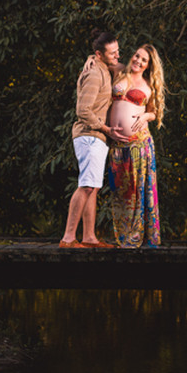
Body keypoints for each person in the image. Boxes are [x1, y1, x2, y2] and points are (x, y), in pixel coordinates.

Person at [60, 29, 124, 248]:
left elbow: (123, 67)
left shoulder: (103, 67)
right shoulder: (95, 74)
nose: (117, 56)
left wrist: (91, 57)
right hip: (89, 136)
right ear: (99, 54)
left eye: (118, 51)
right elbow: (83, 110)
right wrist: (106, 128)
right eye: (112, 53)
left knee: (93, 186)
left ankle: (89, 237)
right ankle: (68, 238)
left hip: (96, 138)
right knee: (86, 186)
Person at [106, 43, 165, 248]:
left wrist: (146, 115)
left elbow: (155, 111)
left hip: (140, 145)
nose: (138, 61)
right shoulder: (119, 71)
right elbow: (99, 59)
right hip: (118, 145)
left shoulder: (149, 84)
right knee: (120, 191)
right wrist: (89, 60)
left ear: (148, 66)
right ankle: (123, 236)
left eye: (144, 60)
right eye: (137, 56)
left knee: (138, 192)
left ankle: (137, 237)